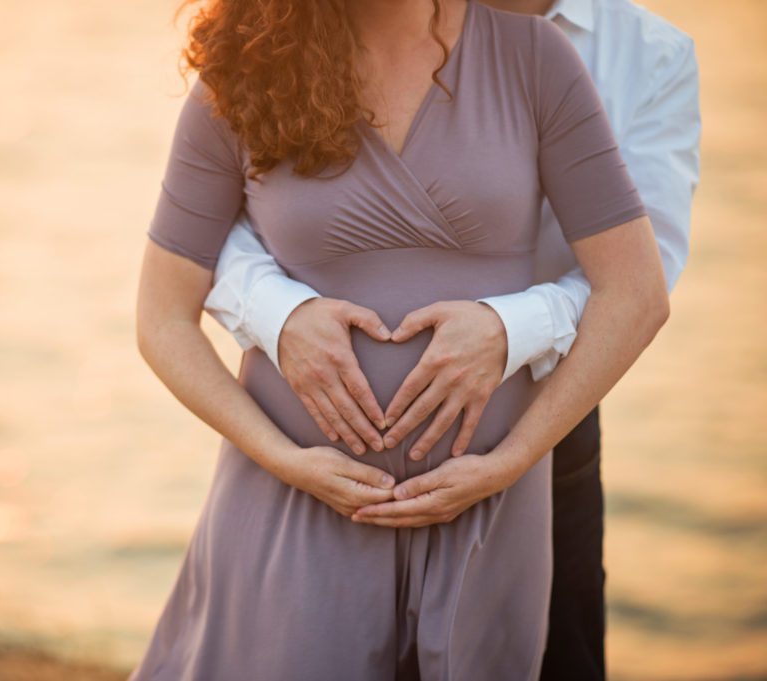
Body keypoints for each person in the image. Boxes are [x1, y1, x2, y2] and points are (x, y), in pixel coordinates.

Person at [131, 0, 671, 678]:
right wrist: (282, 457)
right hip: (293, 504)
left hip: (488, 511)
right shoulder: (245, 70)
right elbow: (161, 315)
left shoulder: (534, 59)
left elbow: (637, 292)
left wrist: (509, 462)